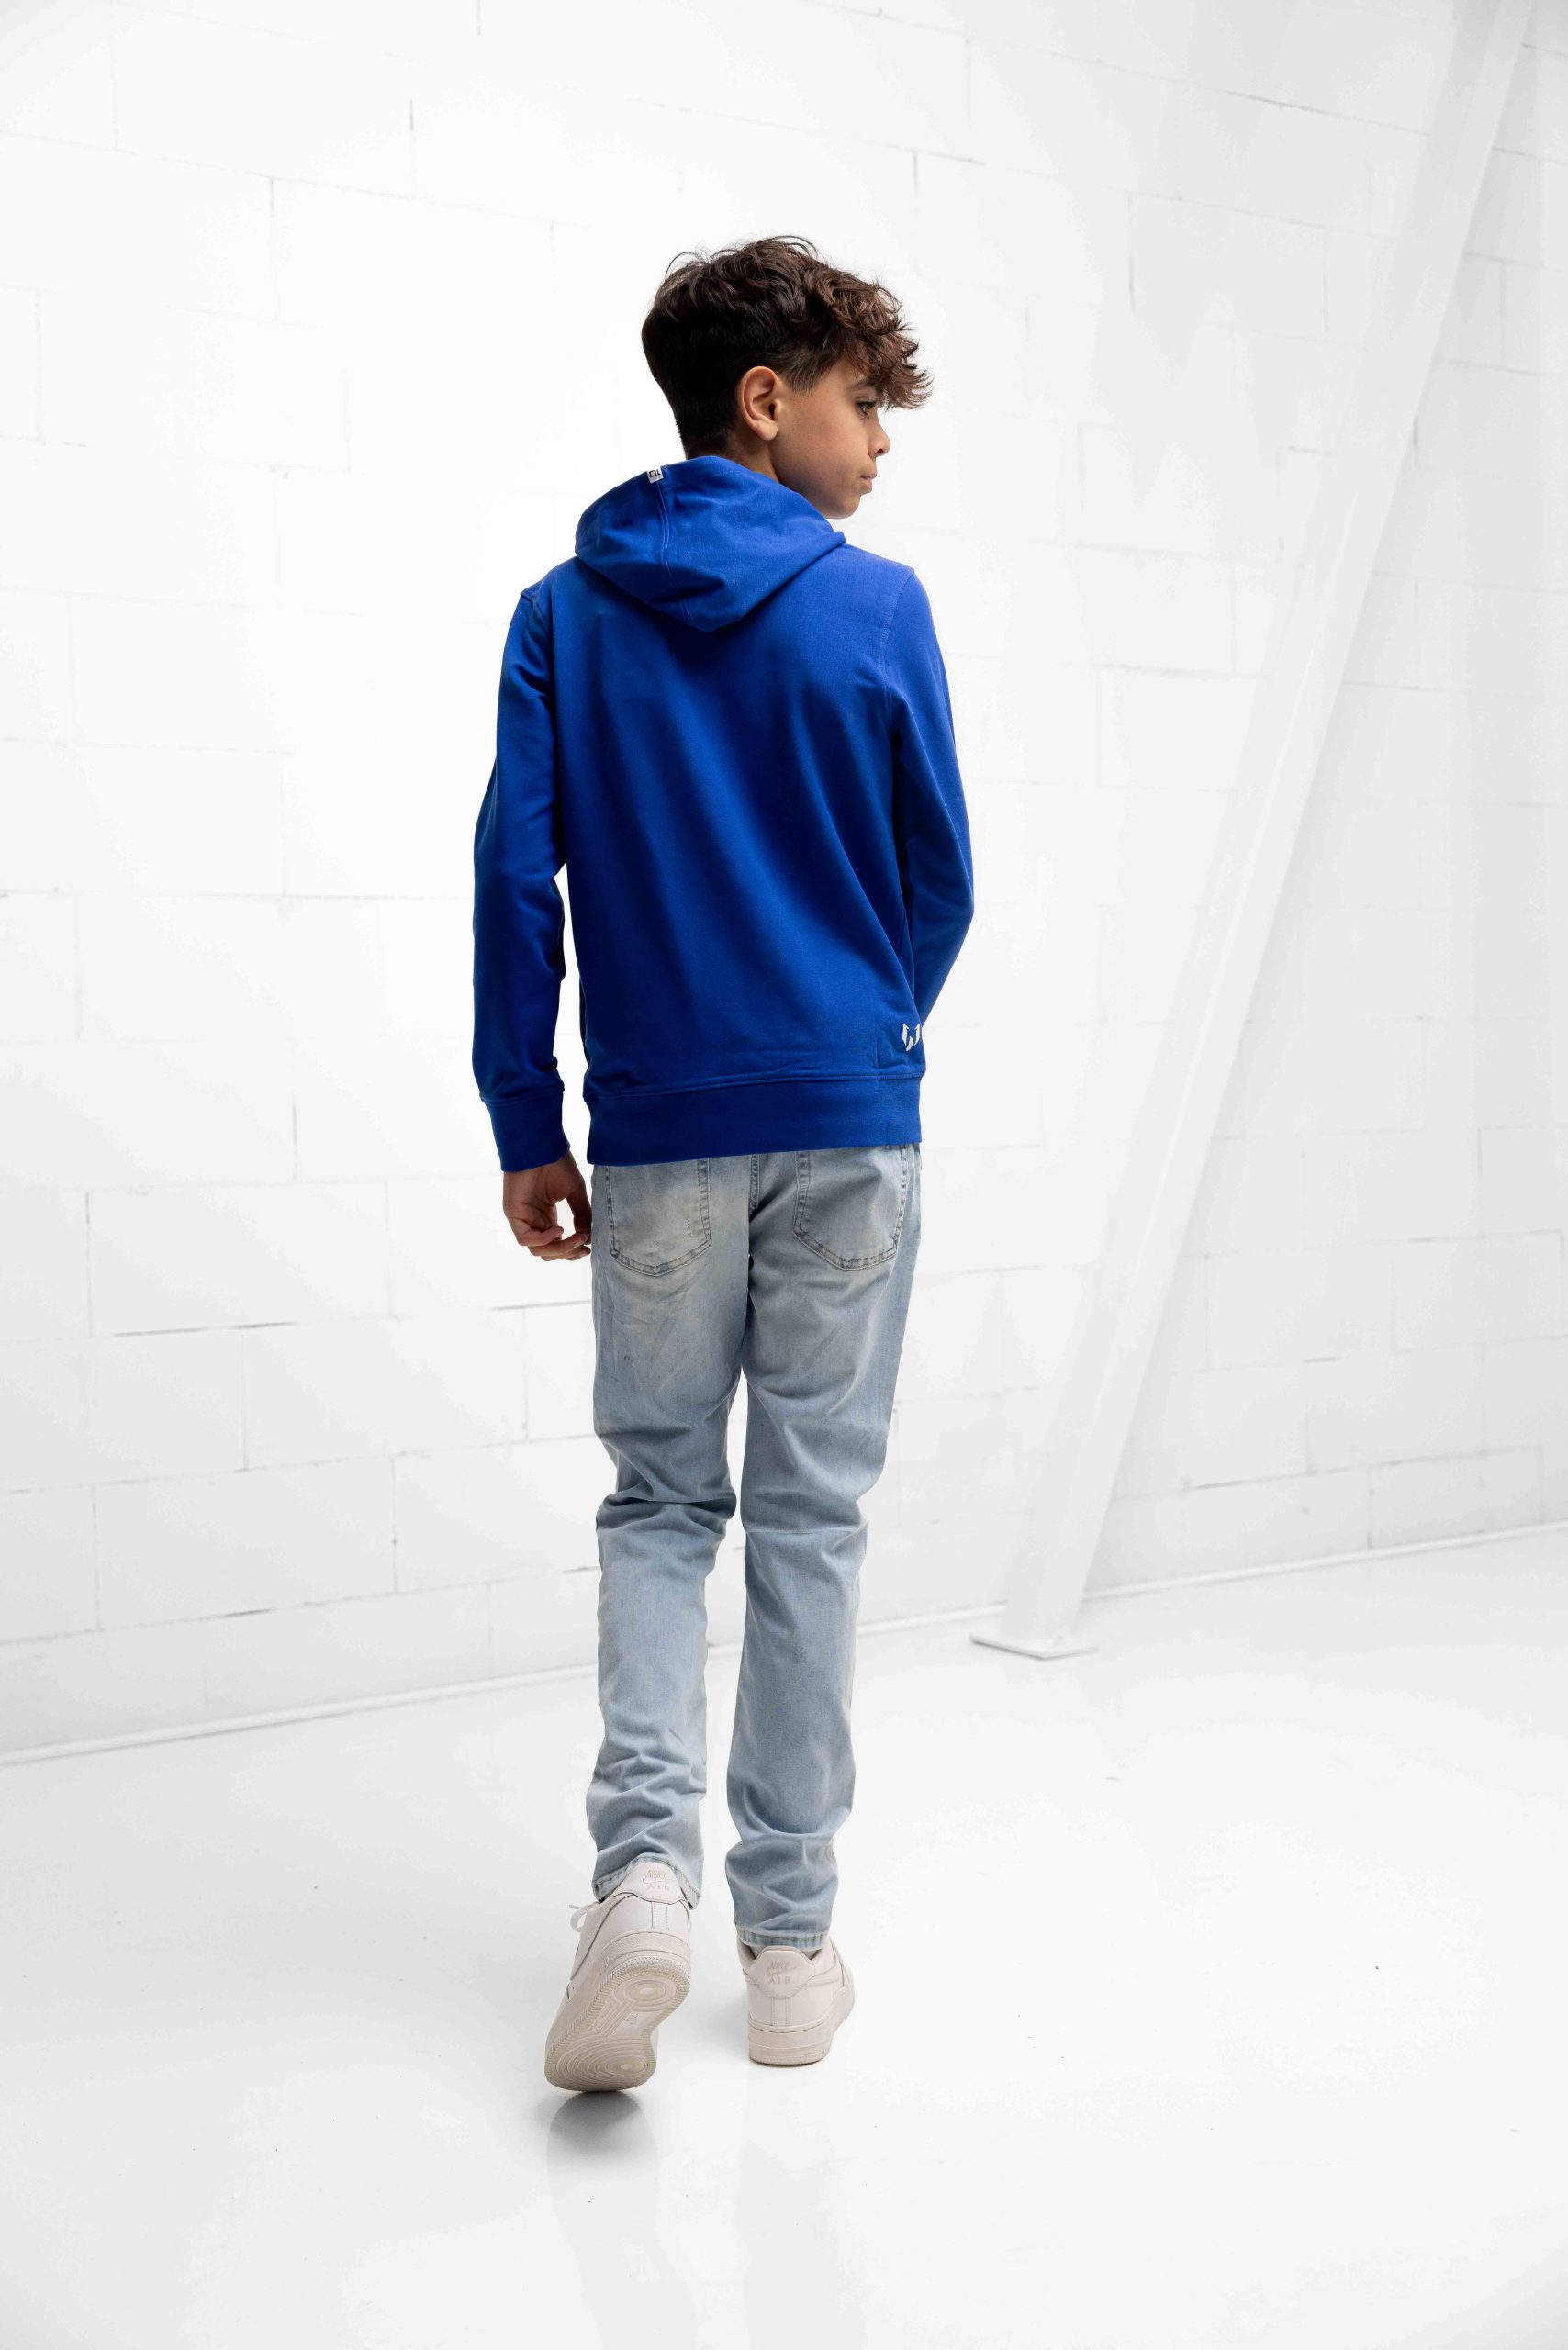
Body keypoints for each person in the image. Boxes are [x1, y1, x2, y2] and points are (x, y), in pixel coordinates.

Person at [471, 232, 975, 2092]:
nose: (880, 444)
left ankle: (640, 1883)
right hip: (848, 1120)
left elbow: (514, 882)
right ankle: (787, 1943)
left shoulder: (562, 613)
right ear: (764, 401)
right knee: (812, 1520)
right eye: (861, 404)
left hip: (661, 1131)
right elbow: (939, 879)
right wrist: (856, 1034)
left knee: (662, 1506)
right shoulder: (878, 605)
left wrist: (527, 1119)